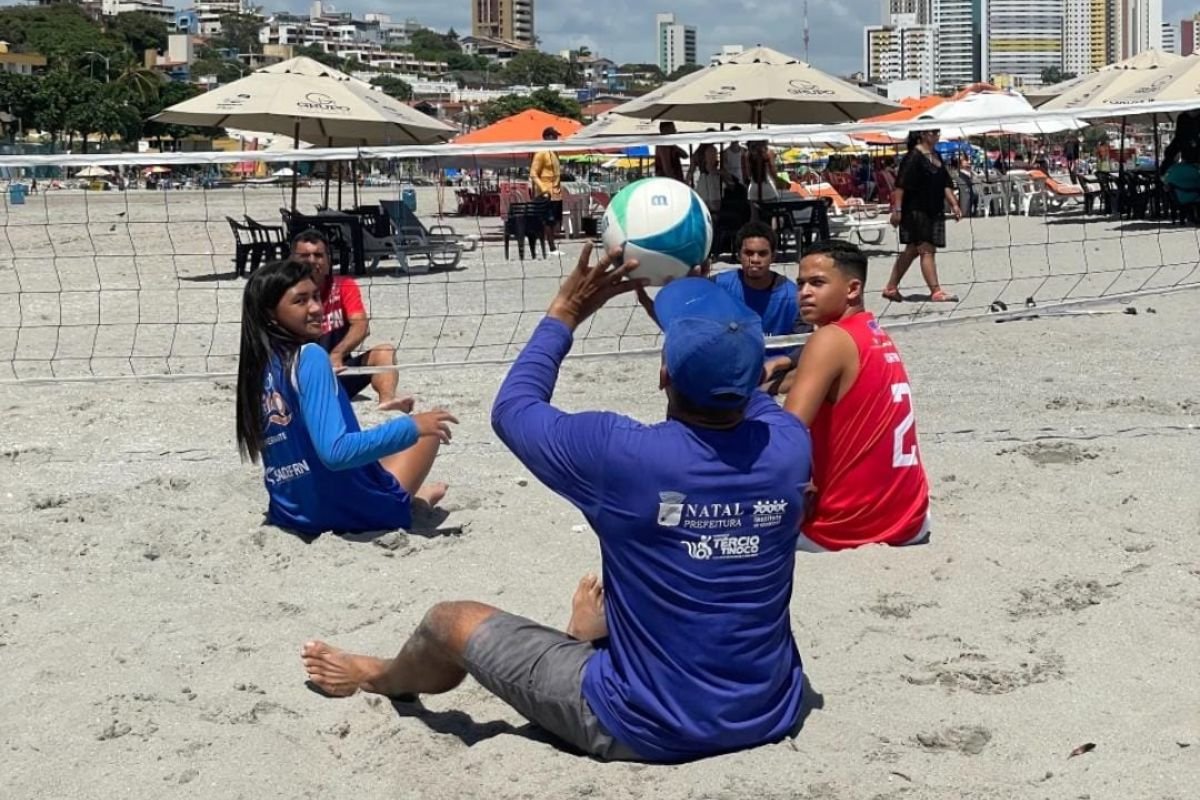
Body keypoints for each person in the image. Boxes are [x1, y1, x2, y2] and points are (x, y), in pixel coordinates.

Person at [301, 245, 813, 764]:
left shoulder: (623, 453)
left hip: (641, 722)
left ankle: (380, 676)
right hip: (768, 708)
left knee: (449, 621)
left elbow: (514, 407)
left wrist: (565, 314)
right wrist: (706, 333)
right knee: (680, 570)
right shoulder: (788, 444)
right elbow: (740, 386)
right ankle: (592, 635)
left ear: (664, 375)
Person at [234, 259, 455, 537]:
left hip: (291, 511)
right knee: (428, 429)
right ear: (270, 313)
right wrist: (413, 426)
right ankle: (415, 499)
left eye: (315, 296)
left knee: (374, 456)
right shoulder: (310, 357)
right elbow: (336, 453)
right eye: (300, 301)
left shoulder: (257, 368)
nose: (315, 307)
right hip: (348, 512)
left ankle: (416, 492)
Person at [782, 240, 931, 553]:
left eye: (817, 283)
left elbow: (786, 436)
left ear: (852, 289)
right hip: (911, 517)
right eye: (800, 283)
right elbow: (832, 379)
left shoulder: (829, 338)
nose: (804, 292)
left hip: (848, 527)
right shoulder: (872, 330)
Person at [290, 230, 409, 411]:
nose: (312, 260)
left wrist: (337, 354)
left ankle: (387, 402)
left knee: (385, 351)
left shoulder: (343, 286)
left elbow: (361, 325)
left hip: (338, 373)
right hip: (300, 379)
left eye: (318, 255)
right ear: (291, 260)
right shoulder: (283, 293)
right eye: (305, 256)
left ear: (328, 260)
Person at [883, 129, 963, 304]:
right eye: (933, 132)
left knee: (912, 250)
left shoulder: (935, 155)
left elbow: (945, 184)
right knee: (927, 249)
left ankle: (890, 288)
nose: (937, 135)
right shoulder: (913, 157)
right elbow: (900, 186)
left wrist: (954, 204)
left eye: (938, 131)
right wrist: (897, 210)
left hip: (933, 209)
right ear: (922, 134)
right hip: (915, 209)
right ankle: (936, 291)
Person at [530, 126, 565, 253]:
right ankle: (551, 248)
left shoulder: (555, 152)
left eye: (556, 136)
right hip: (546, 194)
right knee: (548, 221)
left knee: (556, 221)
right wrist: (543, 189)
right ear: (547, 137)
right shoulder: (541, 152)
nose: (556, 139)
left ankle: (550, 244)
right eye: (554, 136)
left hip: (557, 194)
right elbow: (533, 174)